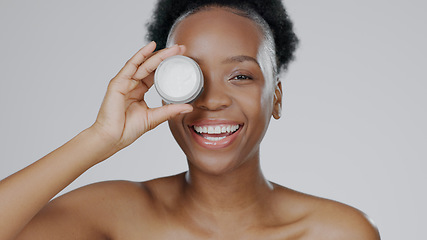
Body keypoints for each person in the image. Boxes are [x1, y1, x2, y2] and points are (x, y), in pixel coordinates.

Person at [0, 0, 380, 239]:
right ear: (164, 88)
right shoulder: (114, 215)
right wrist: (100, 137)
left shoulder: (335, 232)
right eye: (189, 77)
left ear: (276, 98)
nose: (212, 100)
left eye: (241, 76)